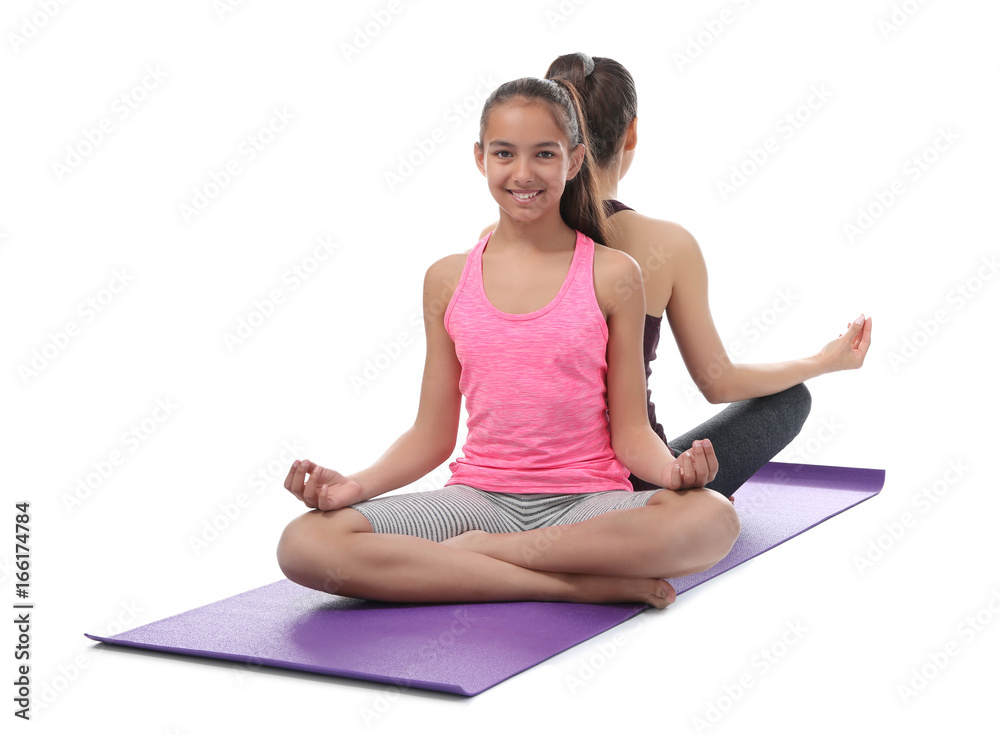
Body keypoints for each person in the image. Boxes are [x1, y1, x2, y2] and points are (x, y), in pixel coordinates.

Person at [276, 76, 740, 608]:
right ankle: (568, 586)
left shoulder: (615, 275)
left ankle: (494, 555)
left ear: (574, 160)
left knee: (714, 517)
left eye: (544, 154)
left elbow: (631, 433)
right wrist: (352, 488)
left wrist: (672, 473)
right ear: (480, 158)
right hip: (478, 500)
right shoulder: (447, 279)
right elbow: (431, 434)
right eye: (504, 153)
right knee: (305, 543)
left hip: (586, 505)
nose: (523, 173)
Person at [481, 52, 871, 496]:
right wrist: (824, 361)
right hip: (638, 485)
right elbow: (718, 381)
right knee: (791, 399)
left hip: (521, 480)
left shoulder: (495, 240)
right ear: (631, 134)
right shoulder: (669, 246)